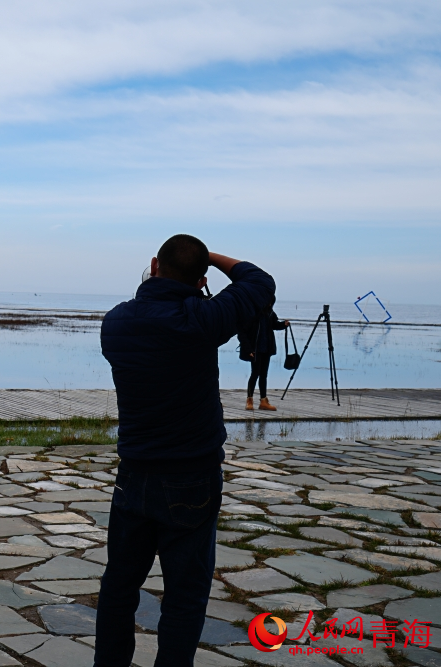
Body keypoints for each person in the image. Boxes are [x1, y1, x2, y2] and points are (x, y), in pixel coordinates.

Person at [96, 234, 275, 667]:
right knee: (185, 596)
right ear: (201, 280)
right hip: (193, 474)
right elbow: (260, 282)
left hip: (134, 473)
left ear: (154, 266)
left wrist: (187, 266)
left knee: (119, 586)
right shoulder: (202, 319)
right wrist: (209, 259)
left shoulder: (116, 322)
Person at [238, 304, 289, 411]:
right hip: (255, 350)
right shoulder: (252, 313)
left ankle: (263, 401)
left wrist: (283, 325)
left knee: (264, 375)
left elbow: (274, 325)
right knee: (255, 374)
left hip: (267, 349)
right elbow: (242, 333)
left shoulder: (270, 313)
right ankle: (249, 400)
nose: (270, 304)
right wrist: (248, 349)